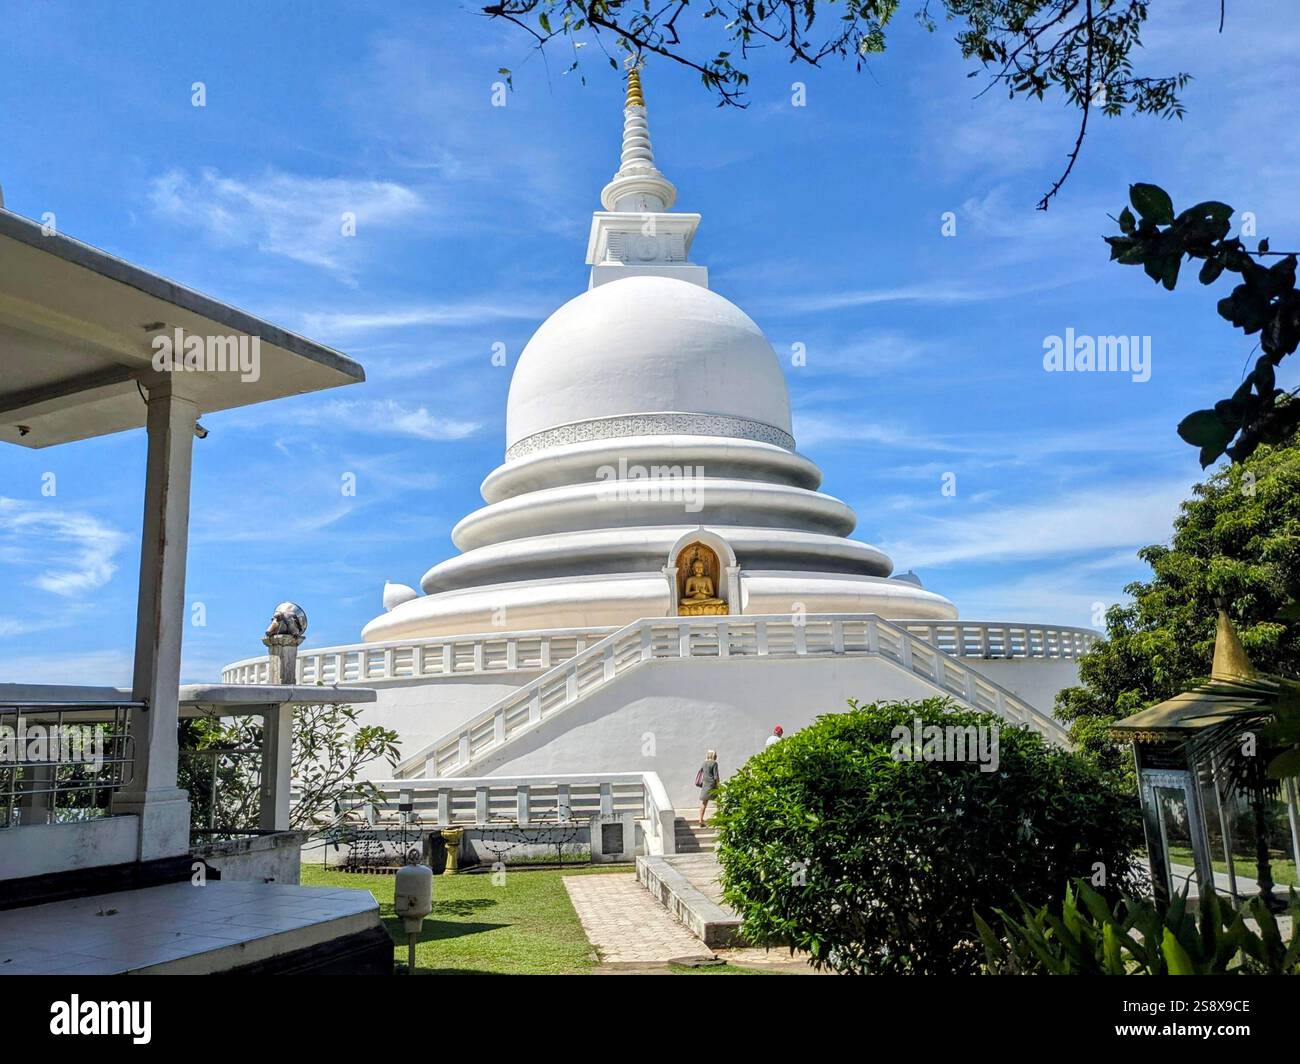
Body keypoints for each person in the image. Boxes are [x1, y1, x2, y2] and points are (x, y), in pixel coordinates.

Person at [696, 750, 720, 827]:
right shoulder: (714, 763)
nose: (716, 756)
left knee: (704, 803)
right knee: (719, 801)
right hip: (712, 785)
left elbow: (701, 772)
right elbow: (716, 776)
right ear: (713, 755)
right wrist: (718, 785)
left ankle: (700, 819)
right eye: (715, 755)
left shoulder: (704, 763)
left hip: (705, 784)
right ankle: (719, 818)